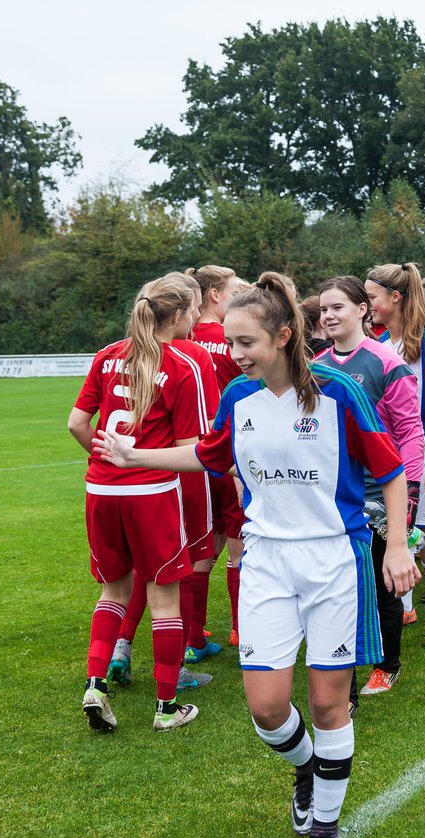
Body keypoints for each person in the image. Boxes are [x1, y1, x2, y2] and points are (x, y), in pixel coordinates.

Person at [95, 275, 416, 838]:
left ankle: (324, 829)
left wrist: (395, 545)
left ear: (285, 336)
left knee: (327, 703)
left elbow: (390, 472)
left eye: (246, 343)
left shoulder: (340, 390)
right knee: (267, 710)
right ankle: (307, 767)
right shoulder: (237, 398)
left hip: (335, 561)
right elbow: (207, 452)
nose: (235, 354)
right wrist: (133, 453)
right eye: (232, 342)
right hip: (266, 560)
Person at [68, 272, 207, 733]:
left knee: (113, 591)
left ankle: (95, 684)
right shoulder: (182, 365)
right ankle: (167, 709)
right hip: (151, 493)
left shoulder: (108, 355)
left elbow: (75, 423)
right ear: (184, 314)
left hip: (100, 490)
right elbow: (192, 451)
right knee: (164, 601)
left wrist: (106, 459)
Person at [315, 275, 425, 699]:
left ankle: (388, 663)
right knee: (341, 590)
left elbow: (410, 431)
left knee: (382, 587)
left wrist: (410, 492)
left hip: (382, 496)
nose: (328, 315)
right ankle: (347, 680)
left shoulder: (385, 361)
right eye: (324, 309)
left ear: (362, 309)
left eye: (338, 307)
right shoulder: (317, 367)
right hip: (336, 497)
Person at [367, 263, 425, 655]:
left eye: (372, 296)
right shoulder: (376, 345)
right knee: (400, 539)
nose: (367, 303)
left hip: (423, 456)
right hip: (388, 463)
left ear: (396, 298)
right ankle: (402, 610)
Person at [188, 268, 248, 646]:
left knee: (206, 542)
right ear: (214, 294)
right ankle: (242, 629)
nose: (240, 299)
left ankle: (193, 635)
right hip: (230, 449)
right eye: (235, 292)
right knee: (239, 543)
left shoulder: (187, 336)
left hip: (193, 453)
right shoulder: (232, 340)